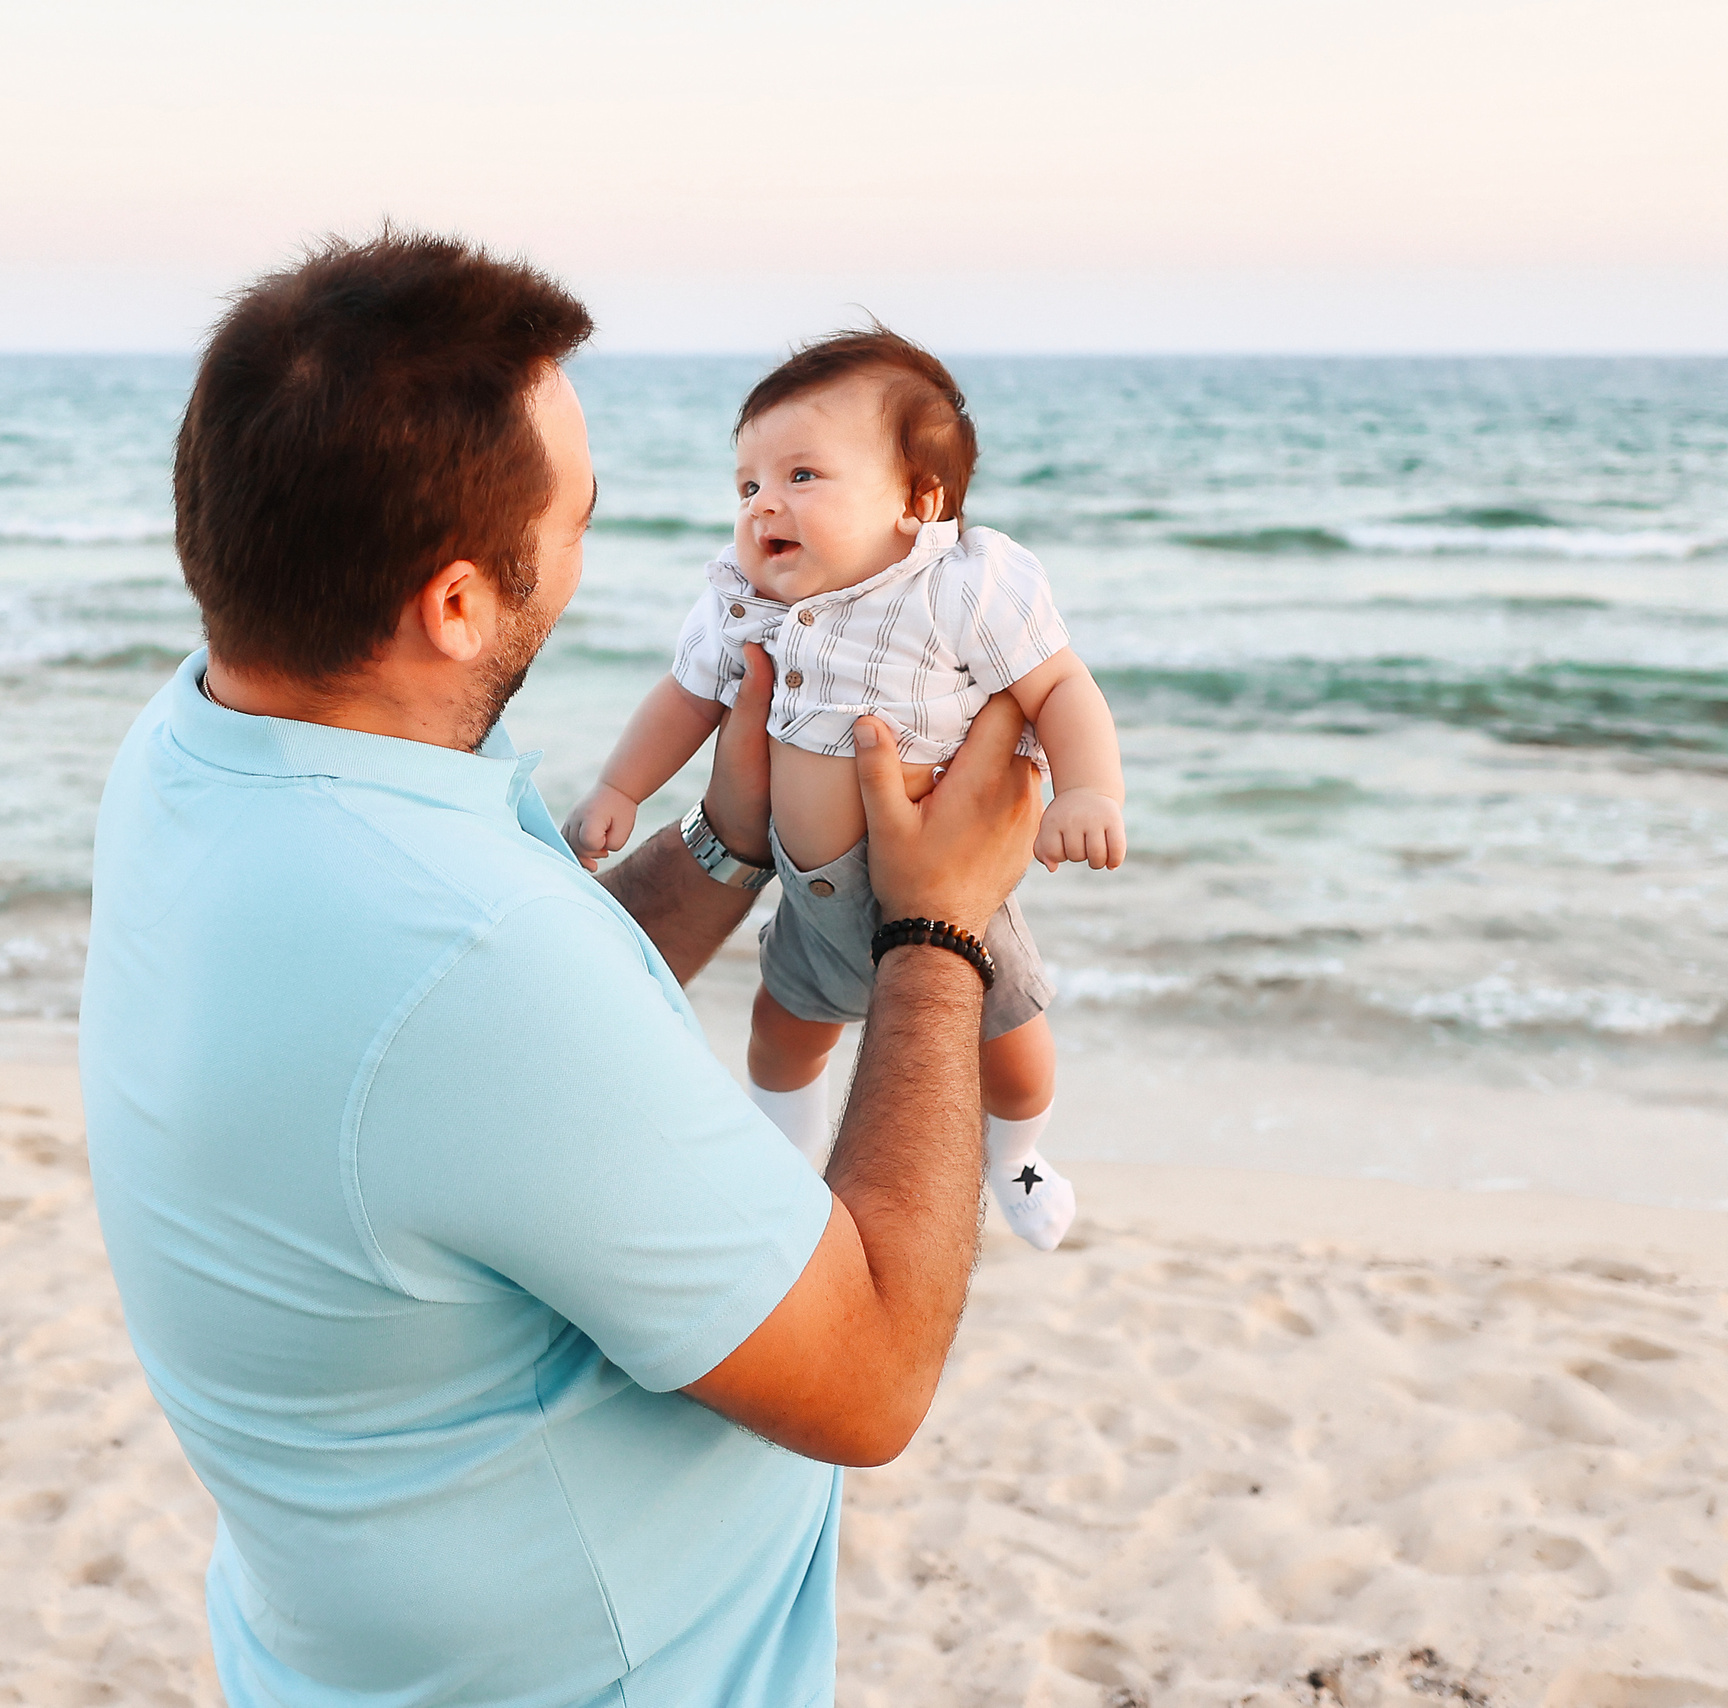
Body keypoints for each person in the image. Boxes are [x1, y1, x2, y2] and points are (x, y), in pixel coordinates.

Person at [78, 229, 1043, 1708]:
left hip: (341, 1642)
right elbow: (870, 1379)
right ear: (458, 604)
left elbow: (464, 1036)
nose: (618, 550)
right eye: (582, 518)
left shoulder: (207, 747)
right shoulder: (469, 955)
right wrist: (939, 927)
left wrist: (725, 840)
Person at [562, 329, 1125, 1250]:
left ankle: (1017, 1157)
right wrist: (621, 787)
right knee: (779, 1037)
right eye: (747, 485)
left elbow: (1059, 686)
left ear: (918, 500)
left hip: (958, 902)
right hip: (814, 904)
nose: (763, 505)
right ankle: (786, 1166)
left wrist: (1090, 792)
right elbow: (688, 697)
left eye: (802, 477)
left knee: (1017, 1056)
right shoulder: (745, 602)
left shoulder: (960, 588)